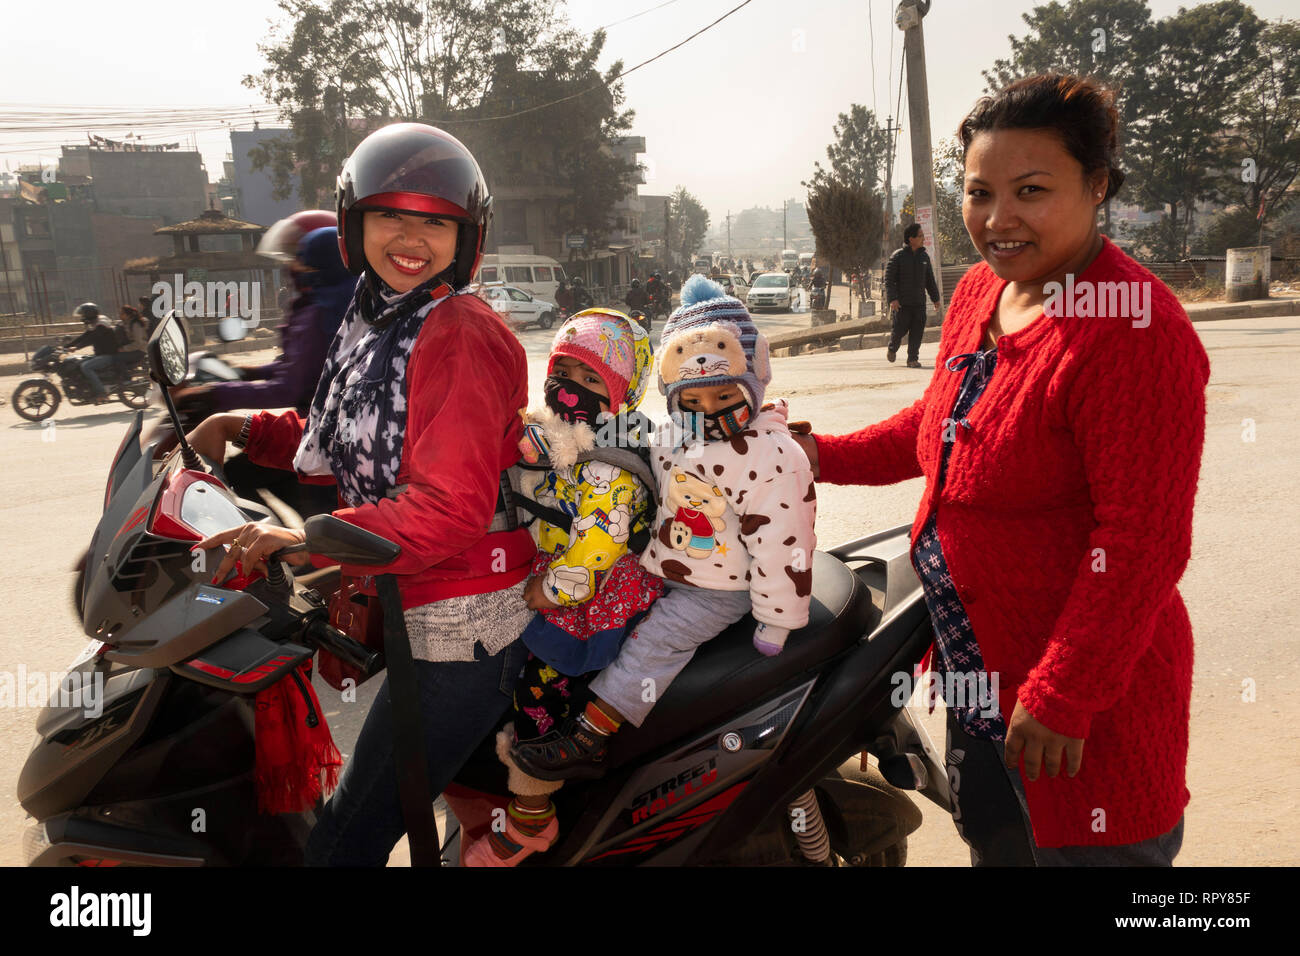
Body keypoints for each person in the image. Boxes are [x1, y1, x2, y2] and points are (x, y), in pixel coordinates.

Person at [793, 74, 1206, 866]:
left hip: (1079, 715)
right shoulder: (985, 287)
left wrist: (1064, 696)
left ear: (1097, 187)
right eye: (979, 192)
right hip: (976, 676)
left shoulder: (1135, 331)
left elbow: (1142, 542)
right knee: (999, 844)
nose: (997, 218)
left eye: (1031, 190)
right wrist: (820, 457)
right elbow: (939, 426)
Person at [187, 122, 536, 867]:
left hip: (462, 625)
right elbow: (340, 432)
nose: (410, 238)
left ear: (466, 236)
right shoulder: (381, 315)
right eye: (389, 215)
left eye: (435, 221)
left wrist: (305, 536)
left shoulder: (457, 332)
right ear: (354, 225)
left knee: (343, 844)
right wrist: (240, 427)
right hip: (415, 601)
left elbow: (448, 508)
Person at [510, 275, 817, 780]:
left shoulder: (769, 455)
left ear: (753, 378)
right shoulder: (674, 433)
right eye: (692, 402)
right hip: (669, 568)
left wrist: (778, 620)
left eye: (724, 398)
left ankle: (590, 736)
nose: (709, 414)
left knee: (653, 645)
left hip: (717, 590)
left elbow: (785, 541)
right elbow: (622, 439)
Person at [464, 309, 662, 866]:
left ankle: (533, 820)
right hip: (576, 581)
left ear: (621, 396)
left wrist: (551, 591)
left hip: (587, 599)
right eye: (565, 368)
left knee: (538, 696)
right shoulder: (573, 436)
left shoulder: (609, 466)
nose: (570, 385)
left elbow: (596, 545)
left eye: (592, 378)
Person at [171, 225, 355, 418]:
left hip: (321, 426)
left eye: (302, 260)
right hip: (334, 418)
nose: (294, 266)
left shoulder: (320, 315)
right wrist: (247, 373)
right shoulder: (345, 304)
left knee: (222, 427)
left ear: (321, 264)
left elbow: (288, 390)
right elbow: (300, 366)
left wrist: (213, 394)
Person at [885, 223, 943, 367]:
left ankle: (912, 359)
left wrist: (935, 298)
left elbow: (929, 280)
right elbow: (889, 280)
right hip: (902, 304)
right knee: (899, 330)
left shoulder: (924, 257)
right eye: (920, 236)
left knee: (917, 332)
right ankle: (892, 348)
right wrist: (893, 299)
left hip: (919, 303)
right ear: (911, 239)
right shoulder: (897, 256)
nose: (923, 238)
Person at [62, 303, 119, 403]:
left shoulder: (101, 325)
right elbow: (84, 336)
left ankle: (102, 393)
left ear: (89, 314)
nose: (82, 317)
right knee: (78, 363)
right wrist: (65, 346)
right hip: (101, 354)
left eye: (83, 315)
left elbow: (91, 339)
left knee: (86, 367)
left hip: (109, 355)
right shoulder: (95, 323)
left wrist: (76, 347)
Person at [114, 305, 148, 370]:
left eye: (122, 313)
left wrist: (123, 349)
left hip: (140, 350)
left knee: (118, 358)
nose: (120, 315)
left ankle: (126, 378)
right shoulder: (127, 323)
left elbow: (138, 343)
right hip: (134, 349)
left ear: (128, 315)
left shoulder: (135, 325)